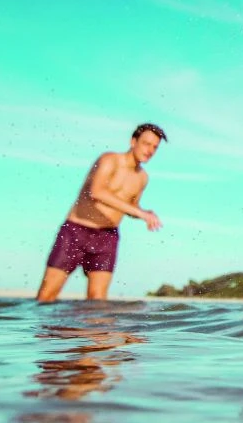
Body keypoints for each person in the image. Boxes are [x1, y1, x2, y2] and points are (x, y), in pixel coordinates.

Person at [36, 124, 166, 303]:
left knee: (97, 301)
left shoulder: (142, 178)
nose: (150, 150)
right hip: (76, 231)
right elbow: (97, 192)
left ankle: (89, 323)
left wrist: (143, 212)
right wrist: (139, 212)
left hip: (107, 237)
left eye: (155, 147)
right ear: (133, 141)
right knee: (46, 296)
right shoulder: (109, 160)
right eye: (146, 144)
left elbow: (130, 206)